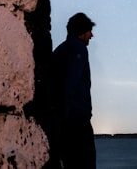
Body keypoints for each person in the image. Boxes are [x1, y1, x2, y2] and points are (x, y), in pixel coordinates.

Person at [52, 12, 96, 168]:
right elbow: (72, 83)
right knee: (85, 163)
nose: (91, 35)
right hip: (76, 119)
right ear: (81, 31)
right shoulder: (78, 48)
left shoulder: (61, 50)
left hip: (64, 120)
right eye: (89, 31)